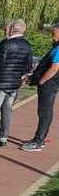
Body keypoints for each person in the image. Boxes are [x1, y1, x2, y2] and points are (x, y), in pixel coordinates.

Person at [0, 19, 33, 148]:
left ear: (12, 29)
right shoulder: (27, 45)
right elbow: (29, 65)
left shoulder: (6, 44)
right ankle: (3, 137)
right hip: (14, 83)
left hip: (0, 82)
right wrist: (20, 77)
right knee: (7, 110)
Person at [23, 23, 59, 152]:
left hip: (49, 84)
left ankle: (38, 141)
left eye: (54, 34)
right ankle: (38, 139)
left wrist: (42, 80)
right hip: (49, 84)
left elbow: (54, 68)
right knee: (43, 112)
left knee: (45, 112)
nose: (52, 36)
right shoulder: (56, 47)